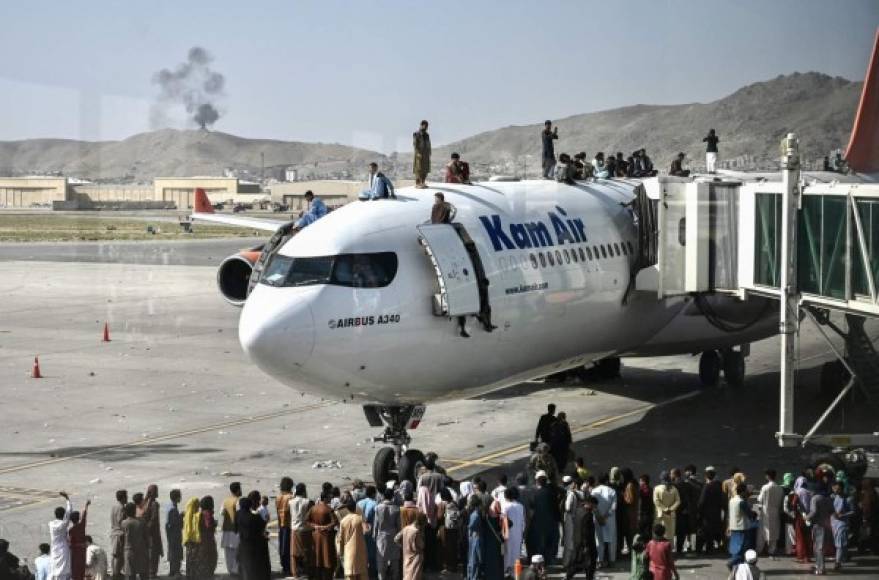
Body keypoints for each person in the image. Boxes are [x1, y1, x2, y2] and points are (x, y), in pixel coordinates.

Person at [528, 471, 560, 565]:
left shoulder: (535, 494)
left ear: (537, 481)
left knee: (540, 543)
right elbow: (556, 507)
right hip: (551, 523)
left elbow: (531, 509)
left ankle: (541, 561)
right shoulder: (552, 493)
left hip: (539, 523)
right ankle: (550, 559)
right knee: (551, 542)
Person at [237, 493, 270, 580]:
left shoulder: (238, 514)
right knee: (254, 564)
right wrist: (266, 520)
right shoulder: (254, 517)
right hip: (254, 543)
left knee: (244, 563)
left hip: (243, 543)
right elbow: (262, 525)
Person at [309, 493, 339, 580]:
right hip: (326, 536)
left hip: (315, 535)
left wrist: (315, 526)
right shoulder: (329, 509)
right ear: (325, 498)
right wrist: (325, 527)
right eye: (329, 497)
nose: (330, 499)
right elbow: (335, 522)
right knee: (327, 557)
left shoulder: (313, 508)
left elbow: (306, 520)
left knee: (317, 556)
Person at [805, 483, 833, 575]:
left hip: (818, 525)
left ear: (814, 490)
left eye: (810, 490)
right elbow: (832, 511)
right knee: (820, 547)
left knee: (819, 547)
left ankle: (821, 569)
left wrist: (807, 517)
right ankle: (818, 565)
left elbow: (814, 511)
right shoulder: (828, 499)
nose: (809, 492)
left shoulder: (815, 498)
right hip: (827, 525)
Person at [373, 489, 401, 580]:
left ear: (383, 496)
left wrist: (374, 536)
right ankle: (394, 577)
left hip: (381, 536)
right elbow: (399, 526)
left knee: (381, 560)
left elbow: (376, 524)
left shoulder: (378, 507)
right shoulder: (396, 508)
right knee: (394, 560)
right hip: (394, 536)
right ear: (392, 496)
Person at [756, 469, 784, 558]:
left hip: (765, 511)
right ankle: (772, 550)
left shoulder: (765, 487)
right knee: (774, 530)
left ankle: (760, 549)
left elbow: (760, 499)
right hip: (775, 511)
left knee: (762, 531)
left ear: (768, 476)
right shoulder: (780, 488)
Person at [593, 474, 618, 568]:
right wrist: (606, 516)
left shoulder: (594, 491)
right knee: (611, 540)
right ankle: (611, 561)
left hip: (598, 519)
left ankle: (600, 561)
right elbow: (614, 507)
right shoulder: (612, 491)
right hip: (610, 520)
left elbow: (593, 506)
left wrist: (599, 516)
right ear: (607, 481)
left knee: (599, 540)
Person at [288, 483, 313, 579]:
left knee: (294, 553)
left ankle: (295, 573)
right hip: (306, 529)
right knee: (307, 552)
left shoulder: (290, 502)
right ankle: (308, 571)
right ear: (304, 491)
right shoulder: (308, 502)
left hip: (295, 529)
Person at [697, 467, 724, 553]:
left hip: (707, 513)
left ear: (706, 477)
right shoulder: (719, 485)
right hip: (716, 512)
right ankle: (711, 547)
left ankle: (703, 549)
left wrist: (699, 511)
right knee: (713, 530)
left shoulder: (707, 487)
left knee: (705, 531)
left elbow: (702, 501)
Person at [728, 483, 755, 569]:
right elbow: (750, 514)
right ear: (743, 492)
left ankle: (736, 566)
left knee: (735, 549)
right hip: (742, 528)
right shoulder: (742, 502)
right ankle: (733, 563)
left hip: (733, 527)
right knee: (743, 549)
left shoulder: (732, 500)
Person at [395, 512, 426, 580]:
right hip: (416, 557)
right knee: (414, 576)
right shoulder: (416, 532)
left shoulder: (406, 528)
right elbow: (421, 545)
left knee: (406, 575)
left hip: (406, 555)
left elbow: (396, 539)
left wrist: (403, 546)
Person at [49, 492, 73, 580]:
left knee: (55, 567)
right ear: (63, 515)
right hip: (63, 548)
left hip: (54, 548)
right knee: (63, 569)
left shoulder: (51, 524)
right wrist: (67, 498)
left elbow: (67, 514)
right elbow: (69, 512)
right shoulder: (62, 525)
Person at [501, 488, 524, 578]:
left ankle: (505, 572)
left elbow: (502, 520)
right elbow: (523, 521)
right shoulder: (520, 506)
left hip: (508, 533)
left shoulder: (505, 506)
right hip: (518, 533)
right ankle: (515, 574)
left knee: (507, 552)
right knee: (516, 553)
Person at [121, 503, 147, 580]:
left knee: (131, 574)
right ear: (134, 511)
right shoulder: (142, 521)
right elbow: (146, 536)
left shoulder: (124, 523)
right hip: (141, 550)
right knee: (143, 573)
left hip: (129, 550)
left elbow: (122, 537)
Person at [220, 483, 241, 577]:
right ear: (237, 490)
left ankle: (230, 570)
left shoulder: (225, 501)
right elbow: (240, 514)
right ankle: (236, 570)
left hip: (226, 529)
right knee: (237, 550)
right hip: (235, 530)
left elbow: (222, 512)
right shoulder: (238, 501)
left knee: (228, 551)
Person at [830, 480, 853, 569]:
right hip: (833, 522)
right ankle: (846, 555)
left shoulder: (848, 498)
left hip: (842, 523)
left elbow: (853, 511)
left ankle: (837, 562)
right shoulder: (832, 497)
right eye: (834, 488)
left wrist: (843, 515)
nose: (835, 490)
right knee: (838, 542)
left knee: (839, 542)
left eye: (837, 489)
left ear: (842, 489)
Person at [141, 486, 162, 579]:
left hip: (145, 533)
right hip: (153, 533)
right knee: (154, 553)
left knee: (148, 553)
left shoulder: (144, 503)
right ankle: (152, 573)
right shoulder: (154, 504)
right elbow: (154, 519)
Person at [653, 472, 680, 542]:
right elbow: (678, 501)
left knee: (659, 532)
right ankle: (669, 549)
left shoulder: (657, 488)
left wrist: (665, 509)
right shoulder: (674, 489)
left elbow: (656, 501)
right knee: (670, 533)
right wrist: (670, 509)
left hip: (660, 514)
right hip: (671, 514)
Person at [275, 478, 294, 578]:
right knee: (289, 547)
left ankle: (284, 566)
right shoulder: (290, 497)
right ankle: (289, 567)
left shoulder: (278, 497)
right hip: (289, 524)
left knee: (282, 546)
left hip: (281, 524)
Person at [68, 501, 91, 580]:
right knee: (81, 570)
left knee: (75, 571)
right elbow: (84, 515)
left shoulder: (71, 530)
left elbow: (70, 544)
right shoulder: (82, 525)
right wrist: (86, 505)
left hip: (75, 553)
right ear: (78, 518)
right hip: (82, 551)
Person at [465, 496, 483, 580]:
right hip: (476, 538)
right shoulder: (476, 515)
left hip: (472, 538)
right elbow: (471, 526)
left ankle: (470, 576)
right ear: (477, 505)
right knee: (475, 560)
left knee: (472, 560)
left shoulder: (474, 514)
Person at [110, 491, 127, 580]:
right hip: (119, 534)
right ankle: (116, 574)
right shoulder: (121, 508)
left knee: (114, 554)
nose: (127, 498)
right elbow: (121, 521)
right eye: (126, 496)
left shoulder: (114, 506)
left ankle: (115, 572)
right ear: (123, 498)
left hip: (114, 532)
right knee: (118, 555)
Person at [413, 121, 431, 188]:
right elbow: (415, 144)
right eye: (425, 126)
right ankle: (418, 184)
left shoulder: (427, 135)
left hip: (426, 154)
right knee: (419, 169)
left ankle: (423, 182)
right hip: (419, 154)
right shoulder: (416, 134)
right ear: (421, 125)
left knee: (425, 169)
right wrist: (418, 153)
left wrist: (429, 152)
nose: (426, 127)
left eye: (427, 126)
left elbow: (428, 144)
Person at [637, 475, 654, 540]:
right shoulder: (651, 489)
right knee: (648, 531)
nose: (639, 482)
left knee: (641, 532)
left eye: (640, 481)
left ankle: (642, 546)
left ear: (643, 481)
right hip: (649, 514)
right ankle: (648, 546)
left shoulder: (640, 490)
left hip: (642, 514)